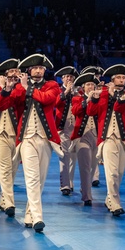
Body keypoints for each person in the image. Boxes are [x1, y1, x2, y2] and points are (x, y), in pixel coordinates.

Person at [10, 54, 61, 233]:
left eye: (41, 68)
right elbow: (13, 100)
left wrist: (28, 89)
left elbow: (48, 99)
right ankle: (38, 217)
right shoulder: (19, 87)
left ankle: (29, 214)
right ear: (29, 70)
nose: (38, 70)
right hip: (26, 138)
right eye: (35, 68)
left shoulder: (52, 86)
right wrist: (16, 87)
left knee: (40, 179)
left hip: (46, 138)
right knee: (31, 178)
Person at [87, 64, 125, 217]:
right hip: (107, 137)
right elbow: (90, 112)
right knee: (112, 172)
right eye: (118, 77)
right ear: (112, 80)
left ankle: (109, 198)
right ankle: (115, 203)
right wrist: (95, 99)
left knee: (120, 172)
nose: (121, 80)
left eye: (123, 78)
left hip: (124, 138)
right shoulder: (102, 94)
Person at [0, 58, 22, 218]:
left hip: (17, 135)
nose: (14, 74)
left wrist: (12, 88)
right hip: (0, 133)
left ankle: (4, 199)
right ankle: (9, 202)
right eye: (11, 72)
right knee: (4, 169)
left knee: (13, 170)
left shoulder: (23, 89)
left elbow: (19, 101)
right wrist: (4, 89)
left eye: (17, 71)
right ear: (6, 74)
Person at [69, 72, 99, 207]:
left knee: (93, 166)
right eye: (88, 84)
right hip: (82, 136)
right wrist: (87, 100)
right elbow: (75, 111)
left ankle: (85, 187)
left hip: (97, 136)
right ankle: (87, 196)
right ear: (83, 87)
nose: (91, 87)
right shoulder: (77, 98)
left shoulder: (100, 99)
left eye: (93, 84)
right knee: (85, 167)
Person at [54, 66, 79, 196]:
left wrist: (75, 93)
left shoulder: (77, 91)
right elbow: (56, 103)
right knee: (64, 156)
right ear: (62, 78)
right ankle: (64, 185)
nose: (69, 79)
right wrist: (66, 92)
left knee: (72, 157)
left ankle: (70, 181)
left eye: (71, 77)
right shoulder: (57, 90)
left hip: (75, 127)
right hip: (62, 127)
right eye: (66, 77)